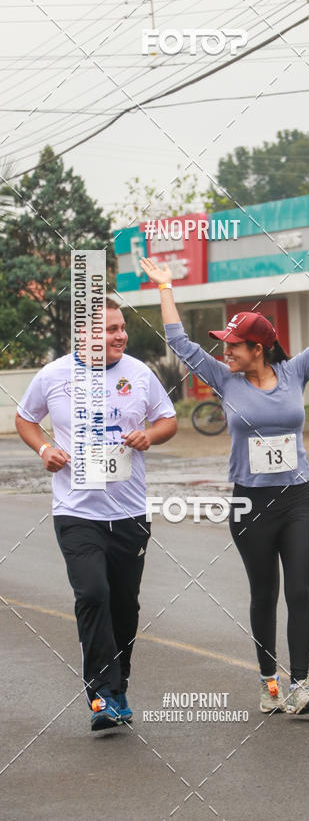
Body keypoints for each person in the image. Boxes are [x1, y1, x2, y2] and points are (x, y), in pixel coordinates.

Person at [140, 254, 309, 715]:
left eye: (233, 345)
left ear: (258, 348)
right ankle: (268, 682)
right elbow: (178, 341)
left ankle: (300, 685)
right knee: (264, 595)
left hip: (298, 499)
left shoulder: (295, 372)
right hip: (250, 503)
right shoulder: (224, 379)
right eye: (224, 345)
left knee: (299, 591)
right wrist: (164, 287)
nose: (225, 352)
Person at [15, 297, 178, 732]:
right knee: (92, 594)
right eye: (109, 329)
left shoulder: (139, 373)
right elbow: (25, 419)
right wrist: (44, 449)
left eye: (121, 328)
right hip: (76, 512)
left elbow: (168, 420)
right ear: (83, 334)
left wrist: (149, 436)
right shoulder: (54, 375)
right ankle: (102, 695)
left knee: (124, 604)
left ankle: (118, 686)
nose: (120, 336)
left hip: (129, 512)